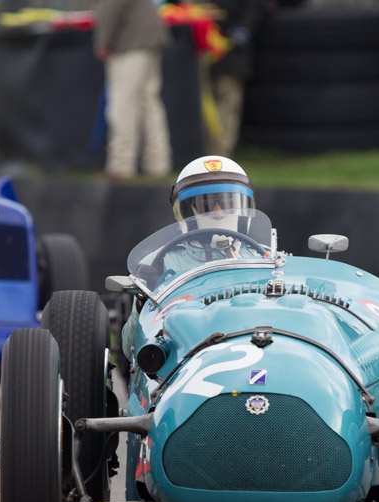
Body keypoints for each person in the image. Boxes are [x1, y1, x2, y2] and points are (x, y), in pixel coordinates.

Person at [121, 155, 257, 356]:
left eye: (227, 203)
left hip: (253, 350)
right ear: (187, 212)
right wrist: (142, 304)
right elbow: (129, 348)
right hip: (185, 357)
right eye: (208, 205)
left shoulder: (266, 258)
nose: (219, 213)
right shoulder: (157, 264)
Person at [94, 0, 173, 179]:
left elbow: (112, 7)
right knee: (149, 102)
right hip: (147, 37)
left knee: (123, 104)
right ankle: (158, 164)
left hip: (129, 41)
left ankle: (121, 165)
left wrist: (104, 40)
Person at [204, 0, 262, 156]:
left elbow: (252, 13)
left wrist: (240, 33)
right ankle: (206, 151)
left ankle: (221, 153)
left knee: (228, 103)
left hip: (232, 58)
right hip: (203, 58)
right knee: (206, 107)